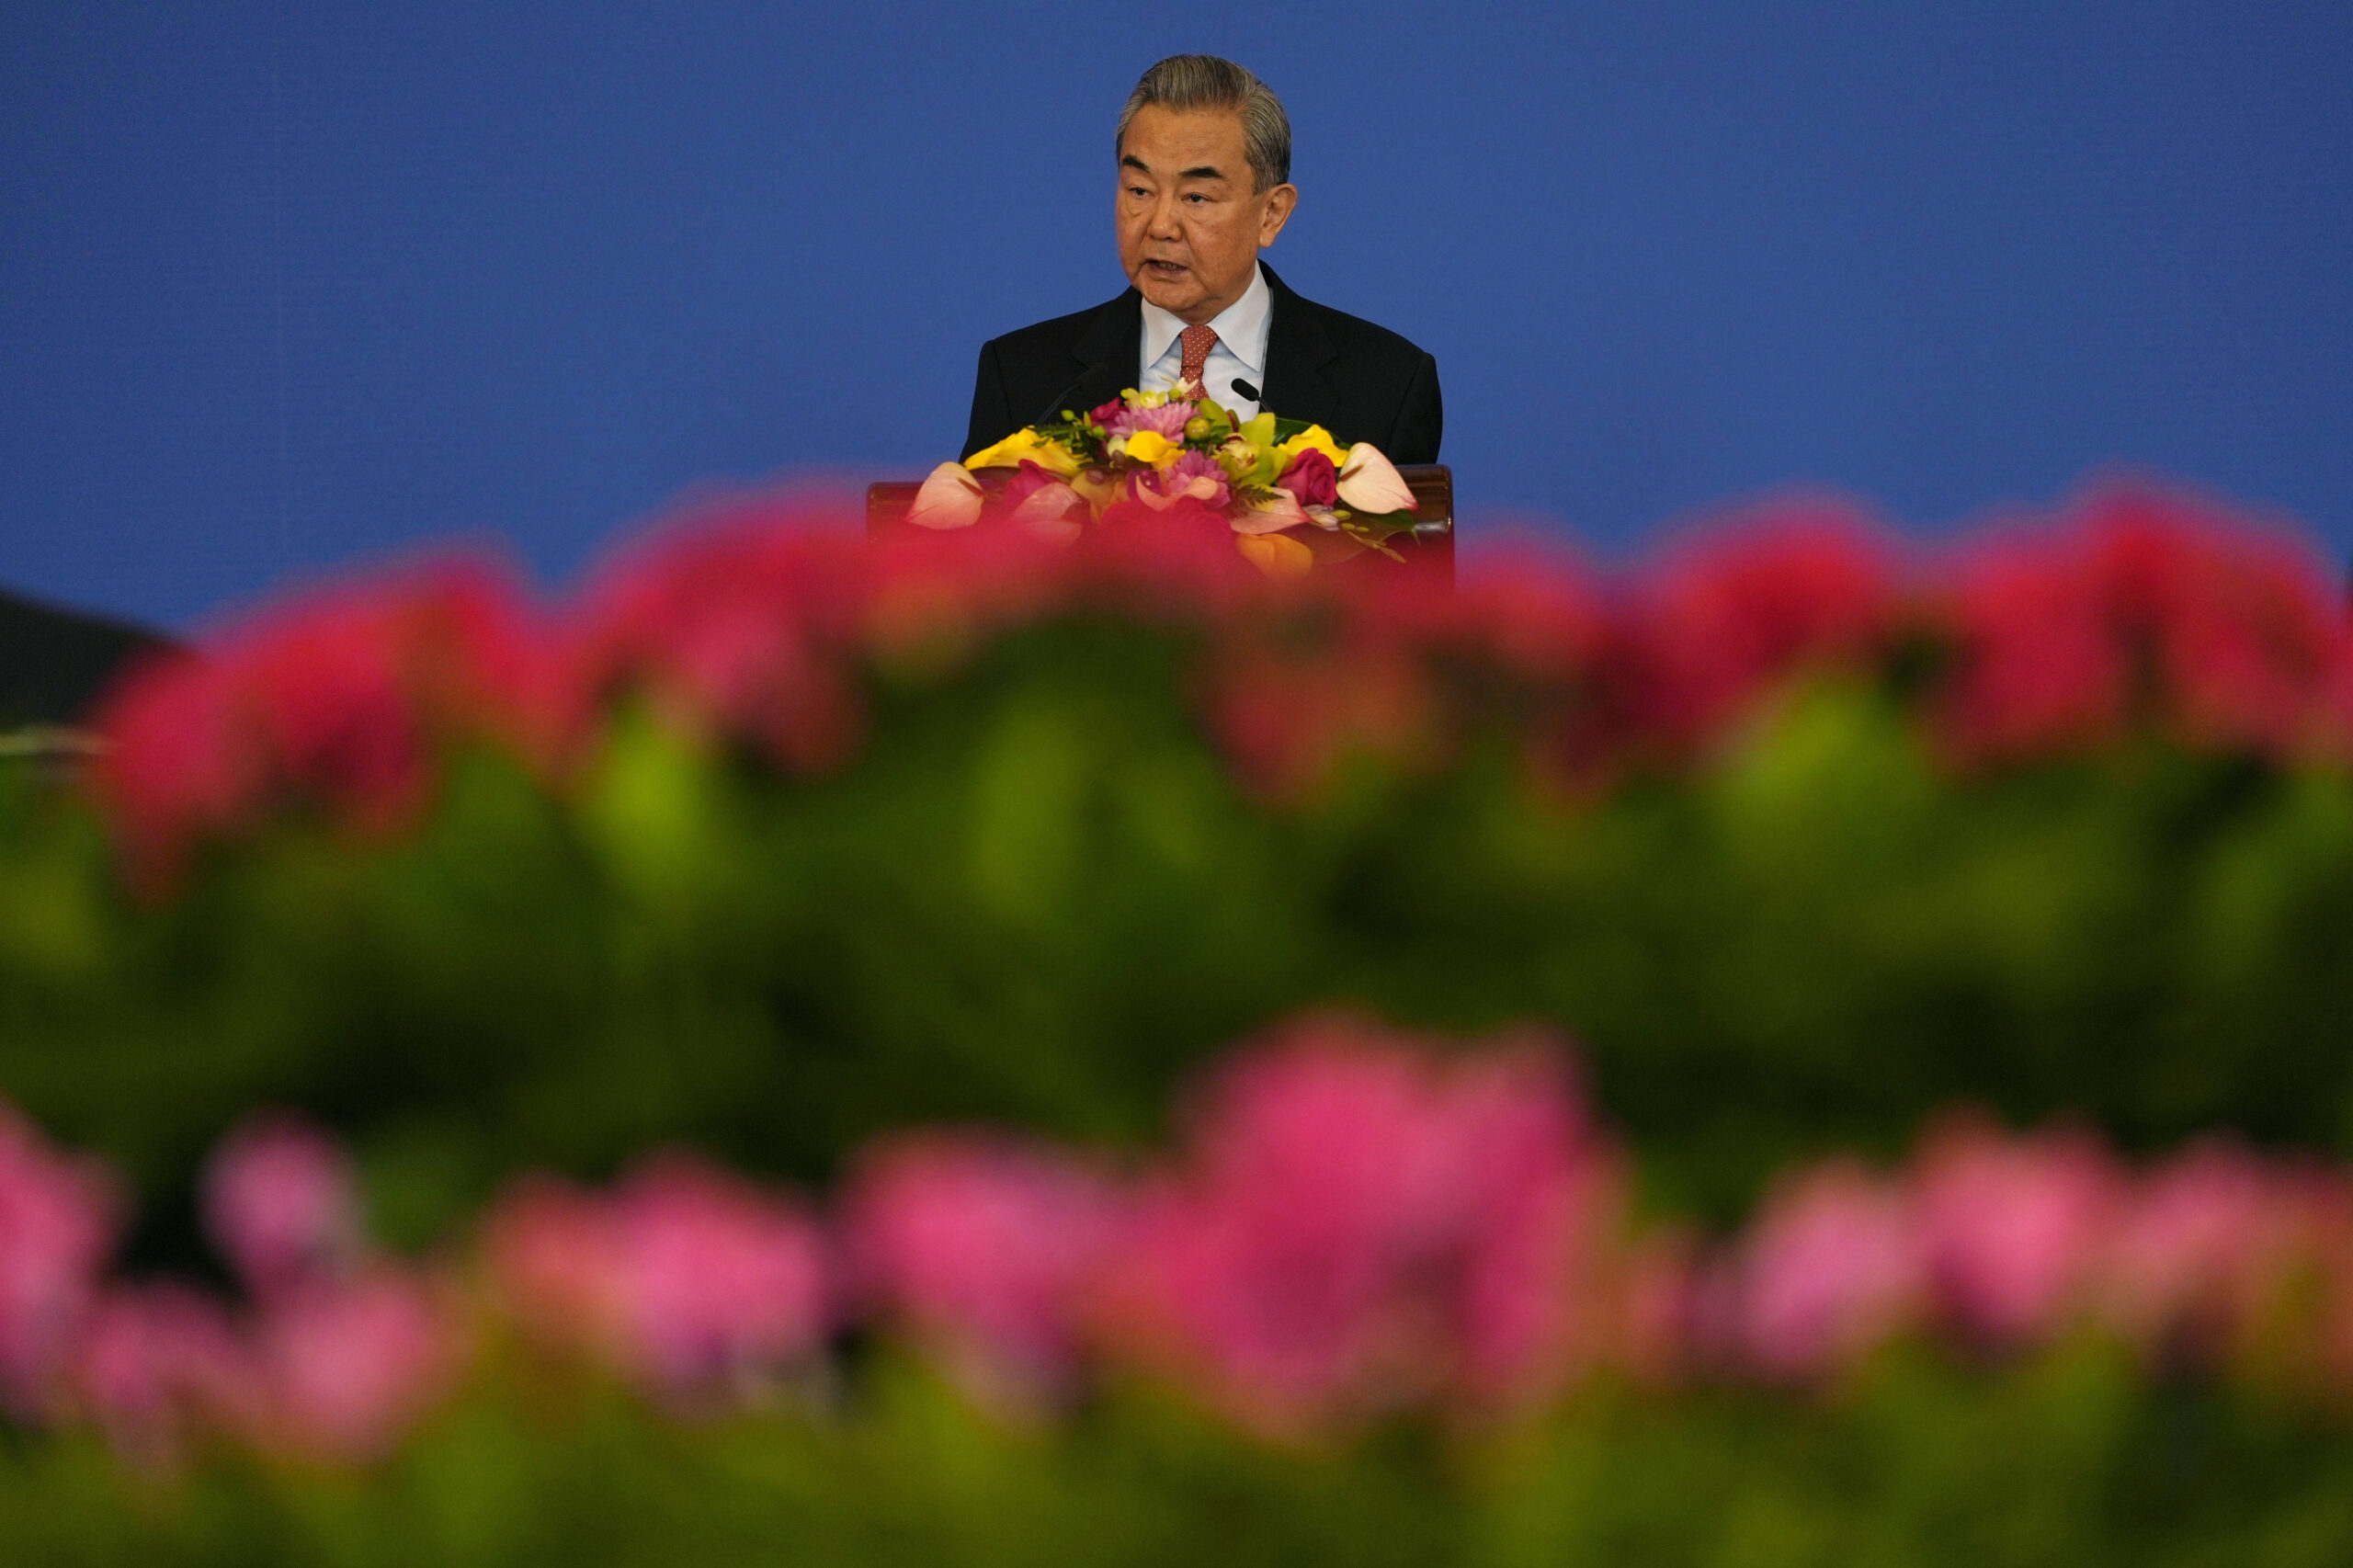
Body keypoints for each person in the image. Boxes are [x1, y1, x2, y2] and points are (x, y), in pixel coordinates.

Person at [963, 54, 1441, 465]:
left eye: (1196, 197)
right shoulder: (1025, 379)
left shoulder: (1387, 385)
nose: (1160, 225)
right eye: (1139, 190)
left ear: (1271, 214)